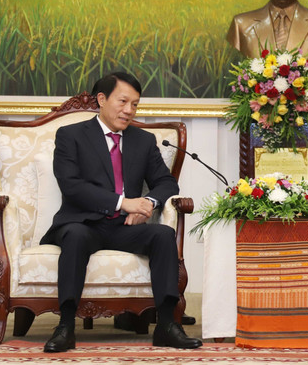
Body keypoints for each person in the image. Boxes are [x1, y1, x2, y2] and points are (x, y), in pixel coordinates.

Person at [40, 72, 202, 352]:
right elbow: (71, 186)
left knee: (163, 235)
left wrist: (148, 203)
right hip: (83, 223)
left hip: (123, 228)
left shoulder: (142, 140)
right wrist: (123, 202)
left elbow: (166, 182)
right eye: (123, 101)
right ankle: (65, 326)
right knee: (76, 236)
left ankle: (166, 324)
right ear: (102, 99)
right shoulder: (71, 136)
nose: (129, 110)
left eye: (135, 104)